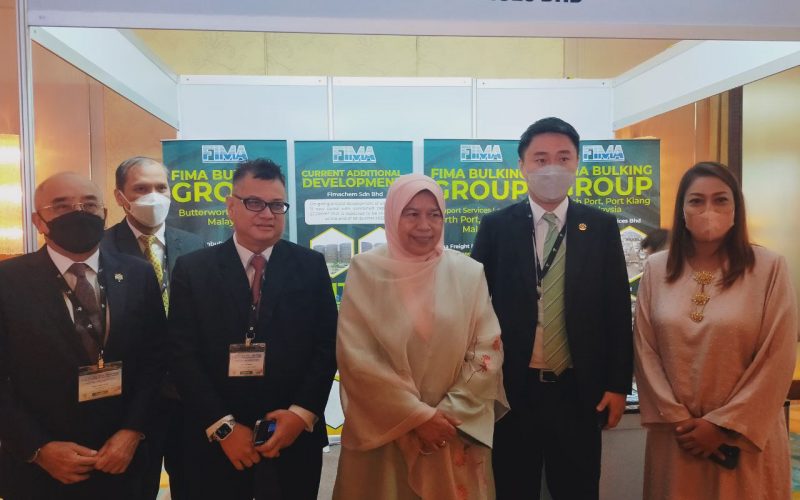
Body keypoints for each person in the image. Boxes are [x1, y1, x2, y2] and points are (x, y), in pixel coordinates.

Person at [471, 117, 633, 499]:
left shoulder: (600, 226)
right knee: (513, 488)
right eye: (540, 159)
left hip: (579, 390)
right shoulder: (496, 227)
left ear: (576, 163)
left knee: (578, 489)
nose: (552, 168)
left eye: (563, 158)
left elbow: (616, 310)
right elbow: (475, 307)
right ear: (522, 166)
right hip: (513, 391)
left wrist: (617, 385)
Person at [169, 158, 338, 500]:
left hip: (291, 438)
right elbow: (182, 355)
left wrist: (300, 415)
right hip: (216, 440)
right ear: (231, 207)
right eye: (254, 203)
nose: (267, 214)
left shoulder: (310, 265)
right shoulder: (193, 269)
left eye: (277, 205)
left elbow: (327, 346)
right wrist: (224, 427)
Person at [333, 173, 509, 500]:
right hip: (386, 433)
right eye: (411, 214)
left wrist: (446, 416)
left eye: (434, 214)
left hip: (450, 432)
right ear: (392, 215)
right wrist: (417, 418)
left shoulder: (468, 273)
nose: (424, 225)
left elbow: (488, 348)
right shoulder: (366, 271)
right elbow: (357, 356)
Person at [634, 161, 797, 499]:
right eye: (696, 201)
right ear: (682, 209)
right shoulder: (656, 269)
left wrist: (722, 426)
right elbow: (645, 350)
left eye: (720, 200)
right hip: (678, 438)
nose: (708, 210)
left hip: (743, 440)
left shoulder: (768, 268)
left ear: (736, 207)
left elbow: (777, 357)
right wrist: (680, 421)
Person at [0, 172, 166, 499]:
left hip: (125, 462)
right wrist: (38, 448)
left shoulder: (138, 273)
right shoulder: (8, 281)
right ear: (38, 220)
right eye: (62, 206)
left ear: (104, 214)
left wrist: (133, 430)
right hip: (40, 470)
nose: (79, 212)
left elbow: (155, 359)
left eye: (89, 205)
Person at [101, 155, 204, 499]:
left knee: (195, 486)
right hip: (130, 402)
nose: (154, 196)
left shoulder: (192, 246)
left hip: (188, 397)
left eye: (161, 187)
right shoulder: (101, 249)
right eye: (141, 189)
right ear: (120, 197)